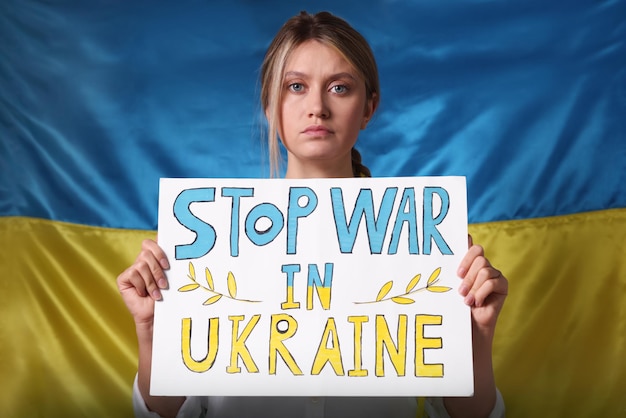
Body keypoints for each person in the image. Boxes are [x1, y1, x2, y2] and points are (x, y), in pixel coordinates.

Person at [117, 10, 508, 418]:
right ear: (270, 105)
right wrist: (152, 333)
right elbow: (167, 413)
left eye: (339, 87)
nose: (317, 107)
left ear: (369, 107)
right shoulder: (210, 238)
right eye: (296, 86)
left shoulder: (421, 242)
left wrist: (476, 337)